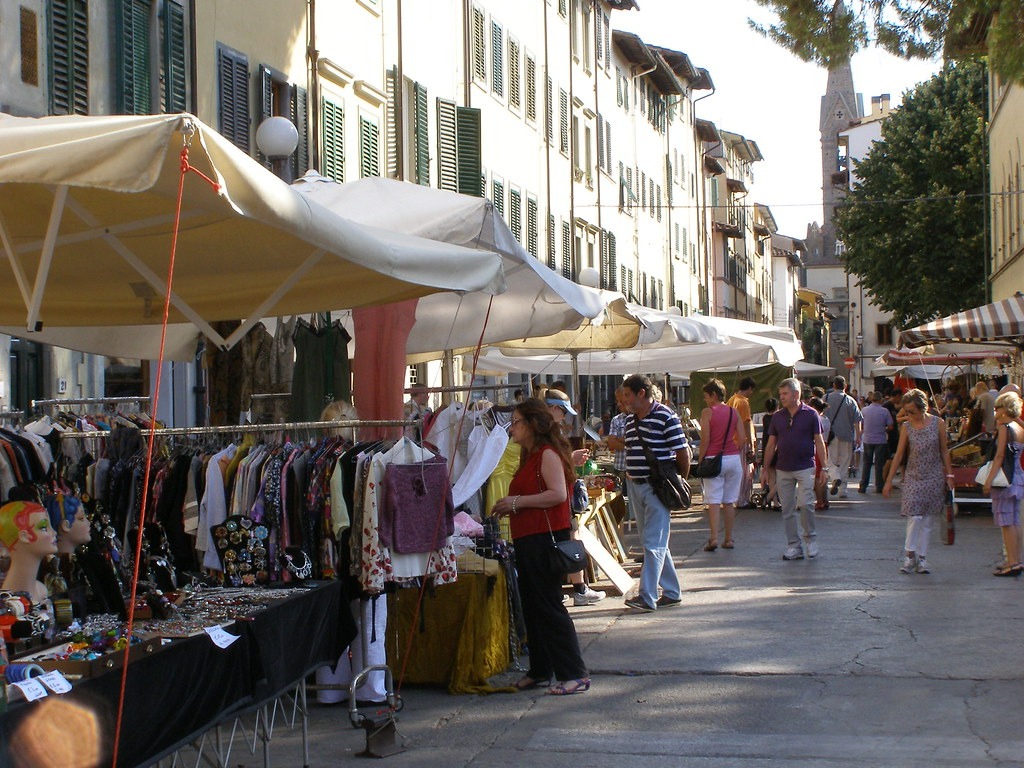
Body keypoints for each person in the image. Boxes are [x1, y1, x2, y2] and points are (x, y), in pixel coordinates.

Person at [491, 398, 590, 695]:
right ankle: (540, 670)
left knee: (548, 605)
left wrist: (516, 503)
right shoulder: (530, 454)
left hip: (544, 539)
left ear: (532, 424)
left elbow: (558, 494)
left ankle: (574, 673)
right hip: (528, 538)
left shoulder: (547, 453)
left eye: (516, 422)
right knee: (533, 606)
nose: (512, 428)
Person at [620, 374, 690, 612]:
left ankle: (647, 596)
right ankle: (672, 592)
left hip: (657, 487)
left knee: (653, 542)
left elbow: (682, 452)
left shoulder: (666, 416)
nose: (625, 400)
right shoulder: (631, 420)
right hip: (636, 486)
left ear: (641, 393)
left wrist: (678, 481)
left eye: (628, 395)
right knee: (654, 541)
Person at [540, 387, 604, 605]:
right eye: (563, 411)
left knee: (567, 539)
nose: (565, 416)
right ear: (553, 409)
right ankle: (578, 589)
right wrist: (571, 458)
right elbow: (551, 462)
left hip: (559, 493)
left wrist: (570, 459)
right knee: (569, 539)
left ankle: (572, 588)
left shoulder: (548, 431)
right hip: (557, 495)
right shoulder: (546, 433)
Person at [882, 389, 955, 575]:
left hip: (934, 475)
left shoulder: (938, 423)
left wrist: (950, 475)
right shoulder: (907, 427)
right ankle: (909, 555)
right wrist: (889, 480)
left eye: (912, 412)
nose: (909, 416)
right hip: (914, 475)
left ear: (924, 408)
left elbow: (944, 450)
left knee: (928, 519)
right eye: (907, 412)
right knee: (914, 516)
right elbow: (899, 454)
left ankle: (922, 558)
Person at [762, 378, 828, 560]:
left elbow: (819, 442)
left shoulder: (811, 414)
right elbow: (771, 444)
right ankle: (793, 545)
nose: (781, 397)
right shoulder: (777, 417)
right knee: (787, 509)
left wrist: (824, 467)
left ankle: (810, 539)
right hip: (783, 468)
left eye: (785, 393)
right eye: (780, 394)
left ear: (796, 394)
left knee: (806, 504)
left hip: (805, 466)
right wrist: (765, 468)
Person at [698, 379, 747, 550]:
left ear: (713, 395)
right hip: (733, 459)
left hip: (713, 459)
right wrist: (733, 450)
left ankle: (713, 538)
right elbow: (742, 439)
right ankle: (729, 539)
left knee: (713, 501)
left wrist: (701, 459)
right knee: (729, 501)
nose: (705, 400)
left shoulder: (707, 412)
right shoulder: (734, 412)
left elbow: (705, 440)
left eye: (706, 396)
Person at [982, 392, 1024, 576]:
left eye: (997, 408)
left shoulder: (1004, 428)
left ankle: (1012, 562)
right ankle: (1016, 560)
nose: (995, 411)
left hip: (1005, 478)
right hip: (1018, 475)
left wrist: (988, 481)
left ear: (1004, 409)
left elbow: (999, 456)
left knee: (1006, 522)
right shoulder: (1019, 427)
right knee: (1014, 520)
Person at [0, 500, 59, 603]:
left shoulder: (41, 591)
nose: (54, 532)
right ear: (24, 536)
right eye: (44, 528)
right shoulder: (10, 602)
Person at [824, 376, 862, 498]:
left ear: (833, 385)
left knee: (830, 460)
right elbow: (857, 420)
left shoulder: (825, 398)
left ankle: (835, 476)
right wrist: (858, 436)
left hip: (830, 435)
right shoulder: (851, 400)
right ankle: (843, 490)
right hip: (846, 435)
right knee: (845, 461)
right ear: (845, 386)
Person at [726, 376, 757, 508]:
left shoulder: (732, 399)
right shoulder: (743, 402)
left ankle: (738, 498)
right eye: (752, 390)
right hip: (742, 441)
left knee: (738, 472)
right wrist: (750, 444)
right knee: (745, 472)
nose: (752, 393)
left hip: (732, 440)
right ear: (749, 388)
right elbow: (746, 423)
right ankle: (742, 500)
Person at [858, 392, 893, 493]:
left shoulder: (864, 410)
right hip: (880, 439)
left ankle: (863, 486)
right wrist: (883, 429)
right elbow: (890, 426)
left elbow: (861, 424)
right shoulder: (885, 411)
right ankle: (879, 486)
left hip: (867, 439)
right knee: (879, 464)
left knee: (866, 463)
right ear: (881, 400)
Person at [809, 397, 831, 511]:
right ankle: (825, 499)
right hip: (825, 446)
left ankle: (819, 501)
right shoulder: (826, 419)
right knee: (823, 474)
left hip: (817, 447)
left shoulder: (816, 419)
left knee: (818, 476)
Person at [760, 397, 780, 508]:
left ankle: (775, 502)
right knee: (783, 477)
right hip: (778, 449)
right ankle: (769, 497)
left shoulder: (765, 418)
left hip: (766, 449)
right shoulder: (779, 418)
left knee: (772, 478)